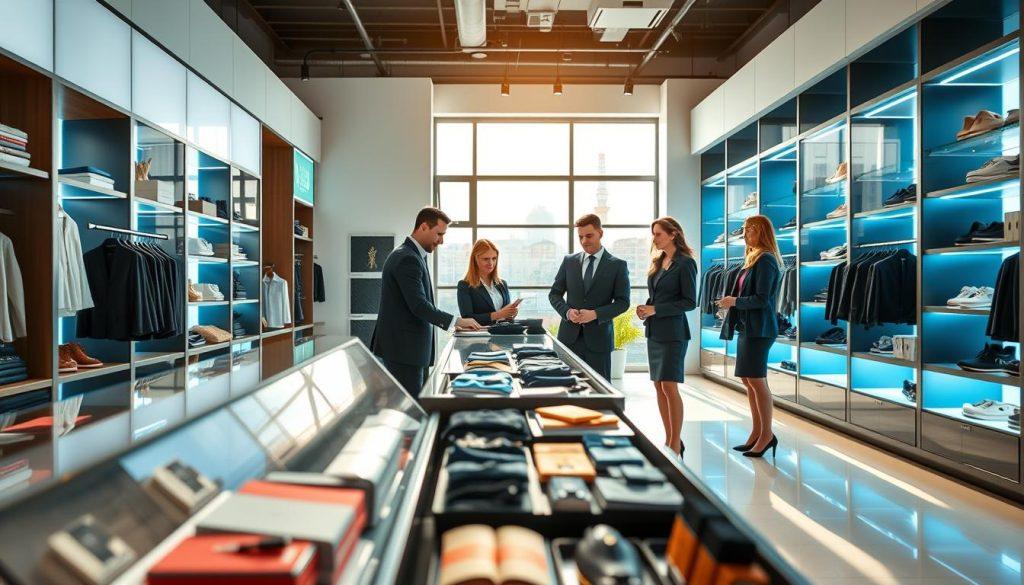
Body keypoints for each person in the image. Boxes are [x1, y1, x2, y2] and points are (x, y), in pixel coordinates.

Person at [371, 207, 482, 396]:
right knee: (411, 411)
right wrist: (457, 322)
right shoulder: (408, 258)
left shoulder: (412, 254)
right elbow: (419, 305)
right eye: (439, 234)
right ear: (423, 227)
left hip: (407, 350)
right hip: (403, 351)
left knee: (415, 407)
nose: (442, 240)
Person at [717, 215, 783, 458]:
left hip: (760, 329)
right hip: (749, 328)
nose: (744, 235)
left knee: (756, 380)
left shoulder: (766, 259)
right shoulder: (753, 258)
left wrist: (733, 301)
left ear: (762, 232)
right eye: (744, 231)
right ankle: (757, 432)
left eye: (749, 231)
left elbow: (762, 299)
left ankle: (767, 435)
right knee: (748, 380)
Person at [635, 217, 697, 456]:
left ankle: (674, 441)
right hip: (655, 330)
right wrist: (647, 309)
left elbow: (690, 302)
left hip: (674, 333)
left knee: (670, 386)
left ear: (673, 234)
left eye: (658, 234)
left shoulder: (686, 263)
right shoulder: (659, 262)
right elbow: (658, 297)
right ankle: (670, 438)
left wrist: (656, 310)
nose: (655, 238)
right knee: (658, 386)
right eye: (653, 234)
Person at [548, 214, 630, 381]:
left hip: (599, 341)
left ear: (600, 233)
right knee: (567, 389)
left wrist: (595, 314)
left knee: (600, 393)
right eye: (580, 237)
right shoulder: (569, 261)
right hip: (568, 339)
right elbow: (554, 294)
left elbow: (623, 302)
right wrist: (567, 312)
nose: (584, 240)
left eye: (589, 235)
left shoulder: (617, 265)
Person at [457, 239, 522, 324]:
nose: (491, 263)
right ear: (475, 259)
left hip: (504, 333)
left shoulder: (502, 284)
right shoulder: (465, 285)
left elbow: (506, 315)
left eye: (494, 258)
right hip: (480, 335)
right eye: (486, 259)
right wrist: (498, 314)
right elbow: (467, 318)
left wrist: (512, 312)